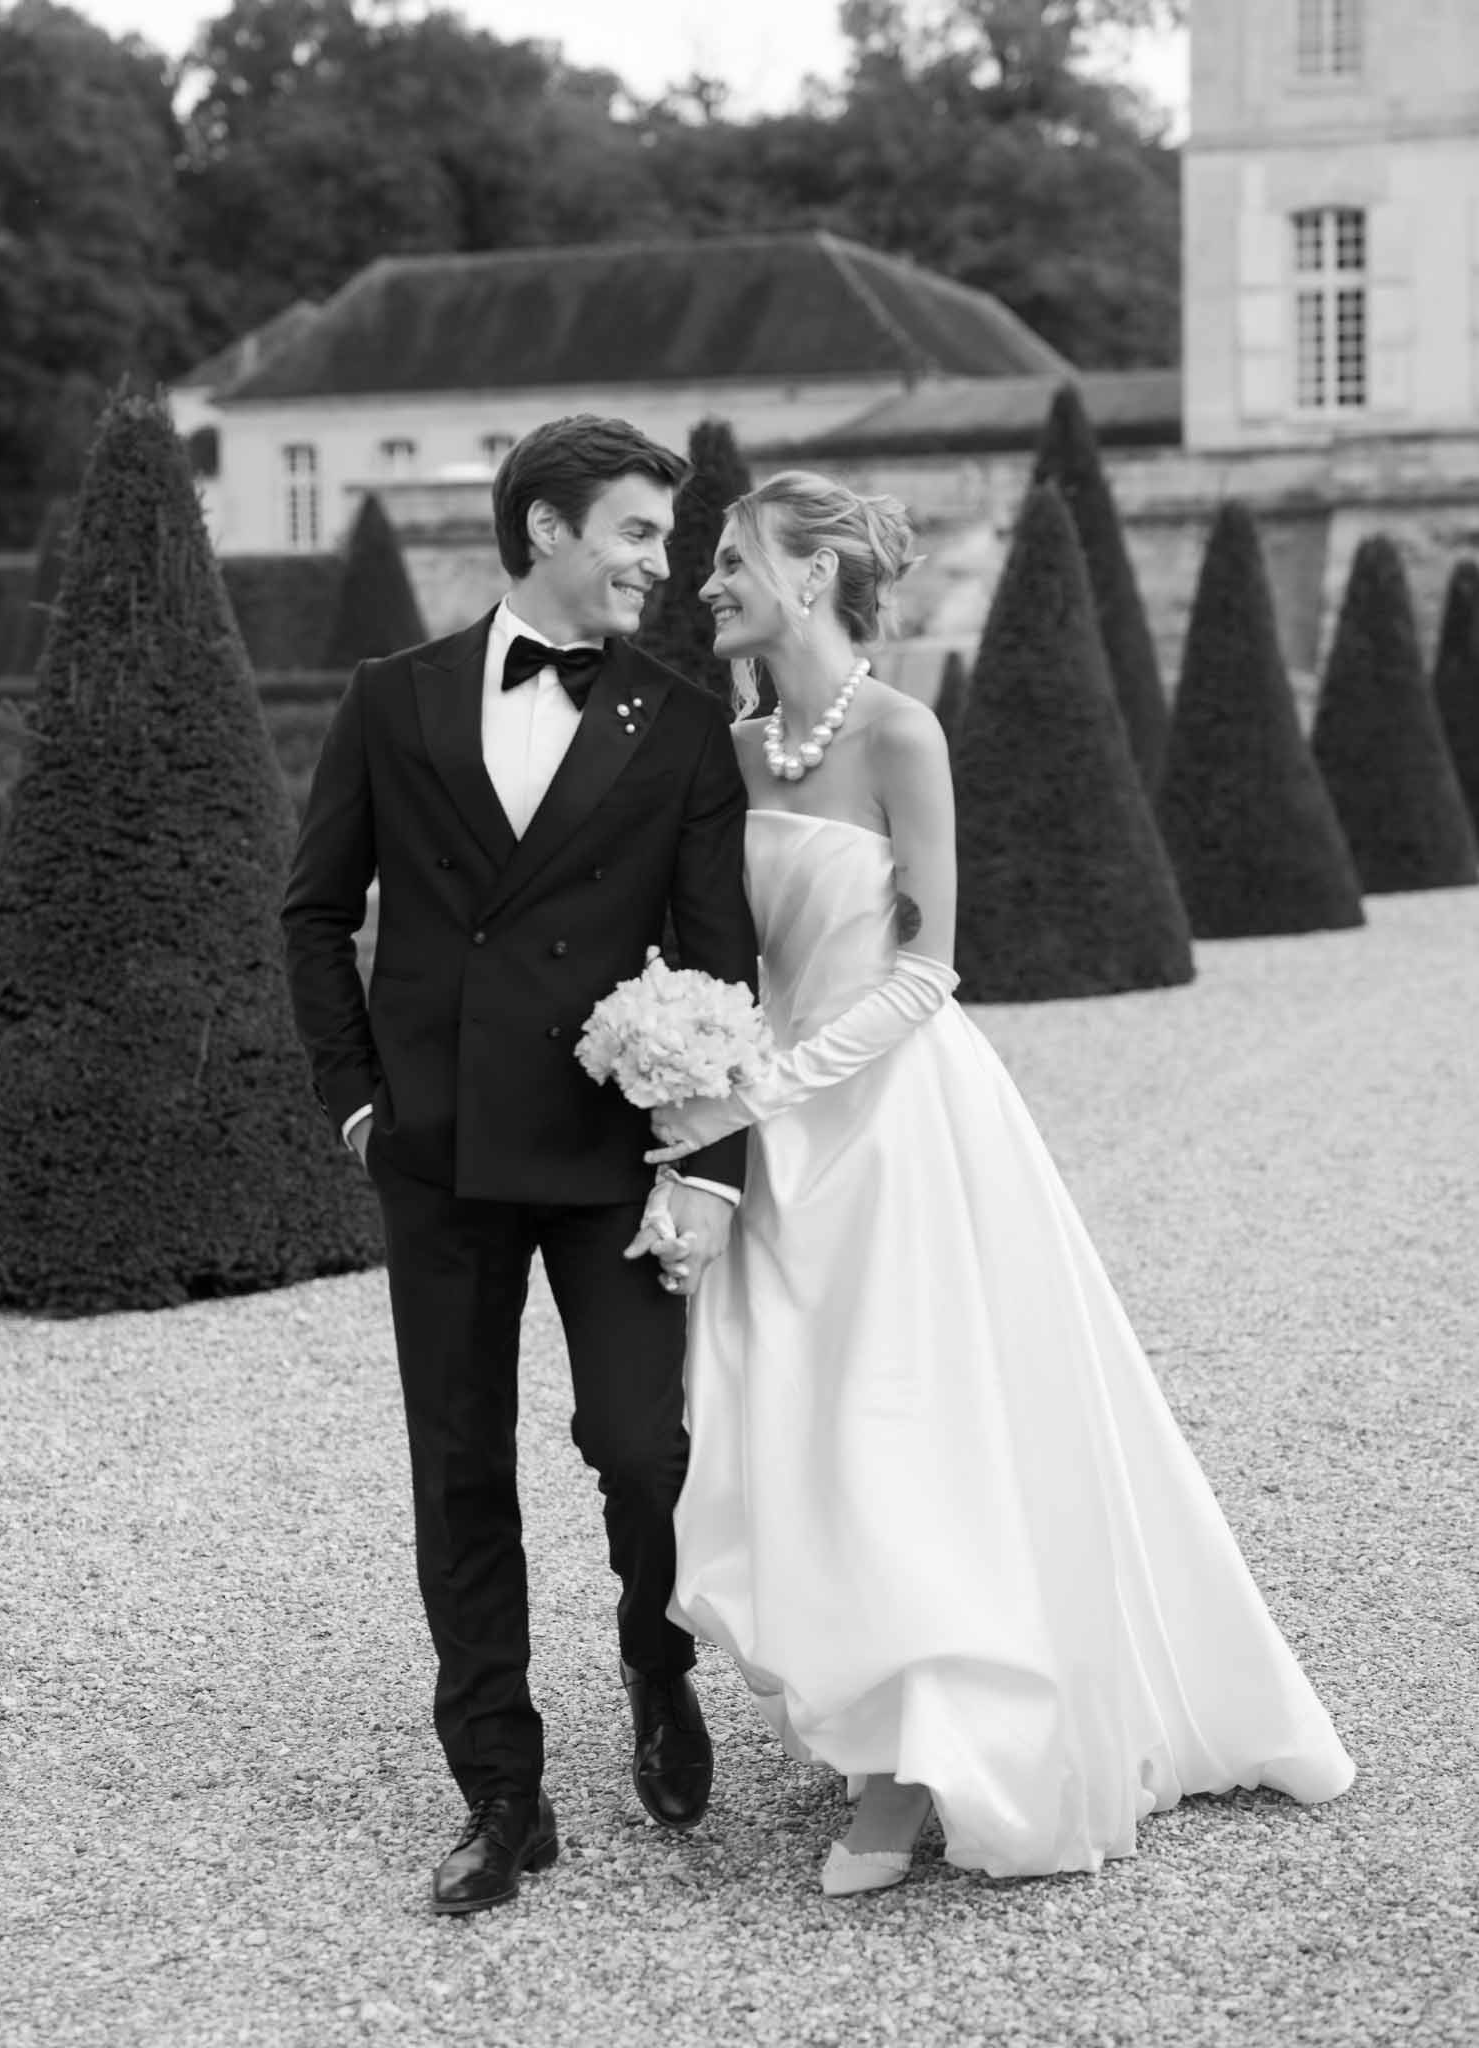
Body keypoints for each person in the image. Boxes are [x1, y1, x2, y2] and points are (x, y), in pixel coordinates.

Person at [642, 470, 1356, 1896]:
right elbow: (716, 956)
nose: (707, 582)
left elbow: (927, 970)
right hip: (771, 1153)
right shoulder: (724, 750)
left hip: (899, 1131)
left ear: (813, 575)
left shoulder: (901, 733)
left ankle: (919, 1768)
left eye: (732, 561)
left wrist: (763, 1084)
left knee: (909, 1428)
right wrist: (685, 1069)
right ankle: (869, 1729)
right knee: (798, 1431)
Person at [282, 415, 759, 1916]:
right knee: (458, 1470)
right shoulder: (392, 697)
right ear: (546, 529)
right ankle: (500, 1788)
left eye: (666, 542)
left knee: (641, 1447)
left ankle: (653, 1653)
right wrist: (360, 1105)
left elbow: (719, 956)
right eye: (633, 533)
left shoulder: (678, 721)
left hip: (610, 1152)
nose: (657, 565)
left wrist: (710, 1165)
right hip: (438, 1154)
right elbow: (312, 912)